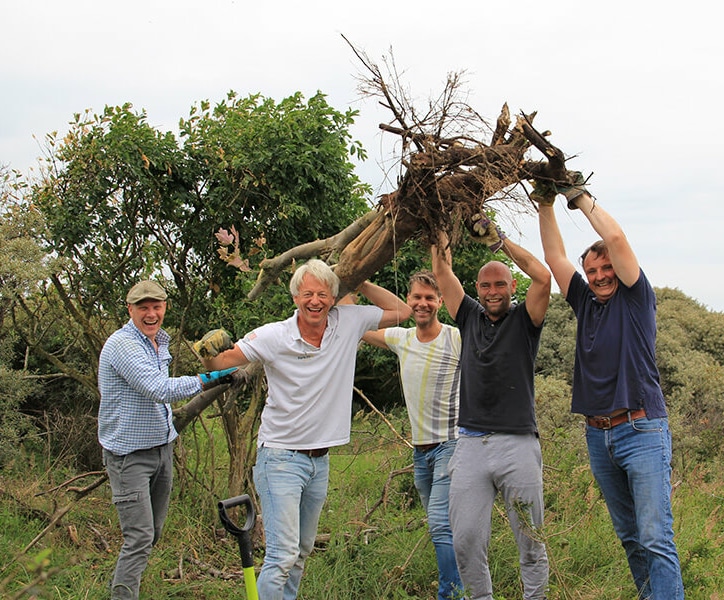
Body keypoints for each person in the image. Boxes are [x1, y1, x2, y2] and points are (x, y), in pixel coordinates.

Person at [197, 259, 412, 600]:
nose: (315, 301)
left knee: (300, 553)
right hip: (281, 458)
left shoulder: (349, 322)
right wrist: (208, 352)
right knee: (282, 556)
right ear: (296, 296)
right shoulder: (274, 336)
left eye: (323, 293)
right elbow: (221, 362)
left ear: (333, 296)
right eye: (308, 293)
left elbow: (402, 311)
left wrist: (356, 280)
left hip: (319, 462)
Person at [534, 177, 684, 599]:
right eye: (593, 271)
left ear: (618, 269)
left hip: (641, 429)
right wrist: (545, 202)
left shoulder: (636, 298)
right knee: (631, 538)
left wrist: (575, 195)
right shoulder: (584, 301)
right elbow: (554, 256)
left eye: (606, 268)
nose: (600, 276)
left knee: (655, 537)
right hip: (598, 435)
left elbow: (614, 236)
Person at [431, 216, 552, 600]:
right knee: (465, 541)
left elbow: (544, 277)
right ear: (478, 289)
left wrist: (498, 242)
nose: (493, 290)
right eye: (485, 285)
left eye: (500, 284)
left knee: (530, 543)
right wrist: (438, 223)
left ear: (511, 286)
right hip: (470, 446)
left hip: (518, 443)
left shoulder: (525, 319)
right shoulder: (468, 316)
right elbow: (442, 271)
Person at [98, 280, 237, 600]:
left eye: (156, 306)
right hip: (129, 457)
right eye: (143, 307)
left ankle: (125, 585)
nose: (151, 313)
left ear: (164, 308)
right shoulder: (123, 345)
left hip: (161, 449)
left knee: (152, 534)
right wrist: (210, 378)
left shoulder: (157, 342)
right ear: (130, 310)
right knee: (139, 537)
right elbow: (159, 389)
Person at [358, 270, 463, 600]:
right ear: (408, 300)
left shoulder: (455, 338)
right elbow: (360, 327)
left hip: (451, 445)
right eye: (416, 297)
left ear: (441, 303)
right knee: (442, 527)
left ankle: (451, 593)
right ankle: (465, 583)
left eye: (429, 298)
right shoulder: (401, 338)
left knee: (440, 524)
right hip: (420, 452)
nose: (422, 303)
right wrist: (357, 282)